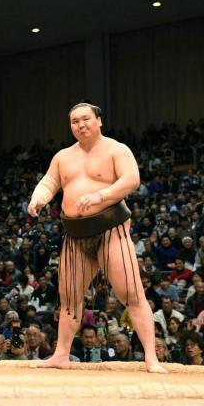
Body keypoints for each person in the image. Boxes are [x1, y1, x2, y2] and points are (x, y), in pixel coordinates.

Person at [29, 102, 165, 373]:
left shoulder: (117, 149)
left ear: (99, 120)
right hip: (75, 235)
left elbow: (131, 179)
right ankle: (61, 354)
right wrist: (39, 198)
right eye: (75, 121)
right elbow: (49, 182)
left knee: (131, 294)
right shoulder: (62, 156)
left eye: (86, 119)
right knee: (69, 297)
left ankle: (151, 357)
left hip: (110, 230)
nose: (80, 125)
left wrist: (100, 196)